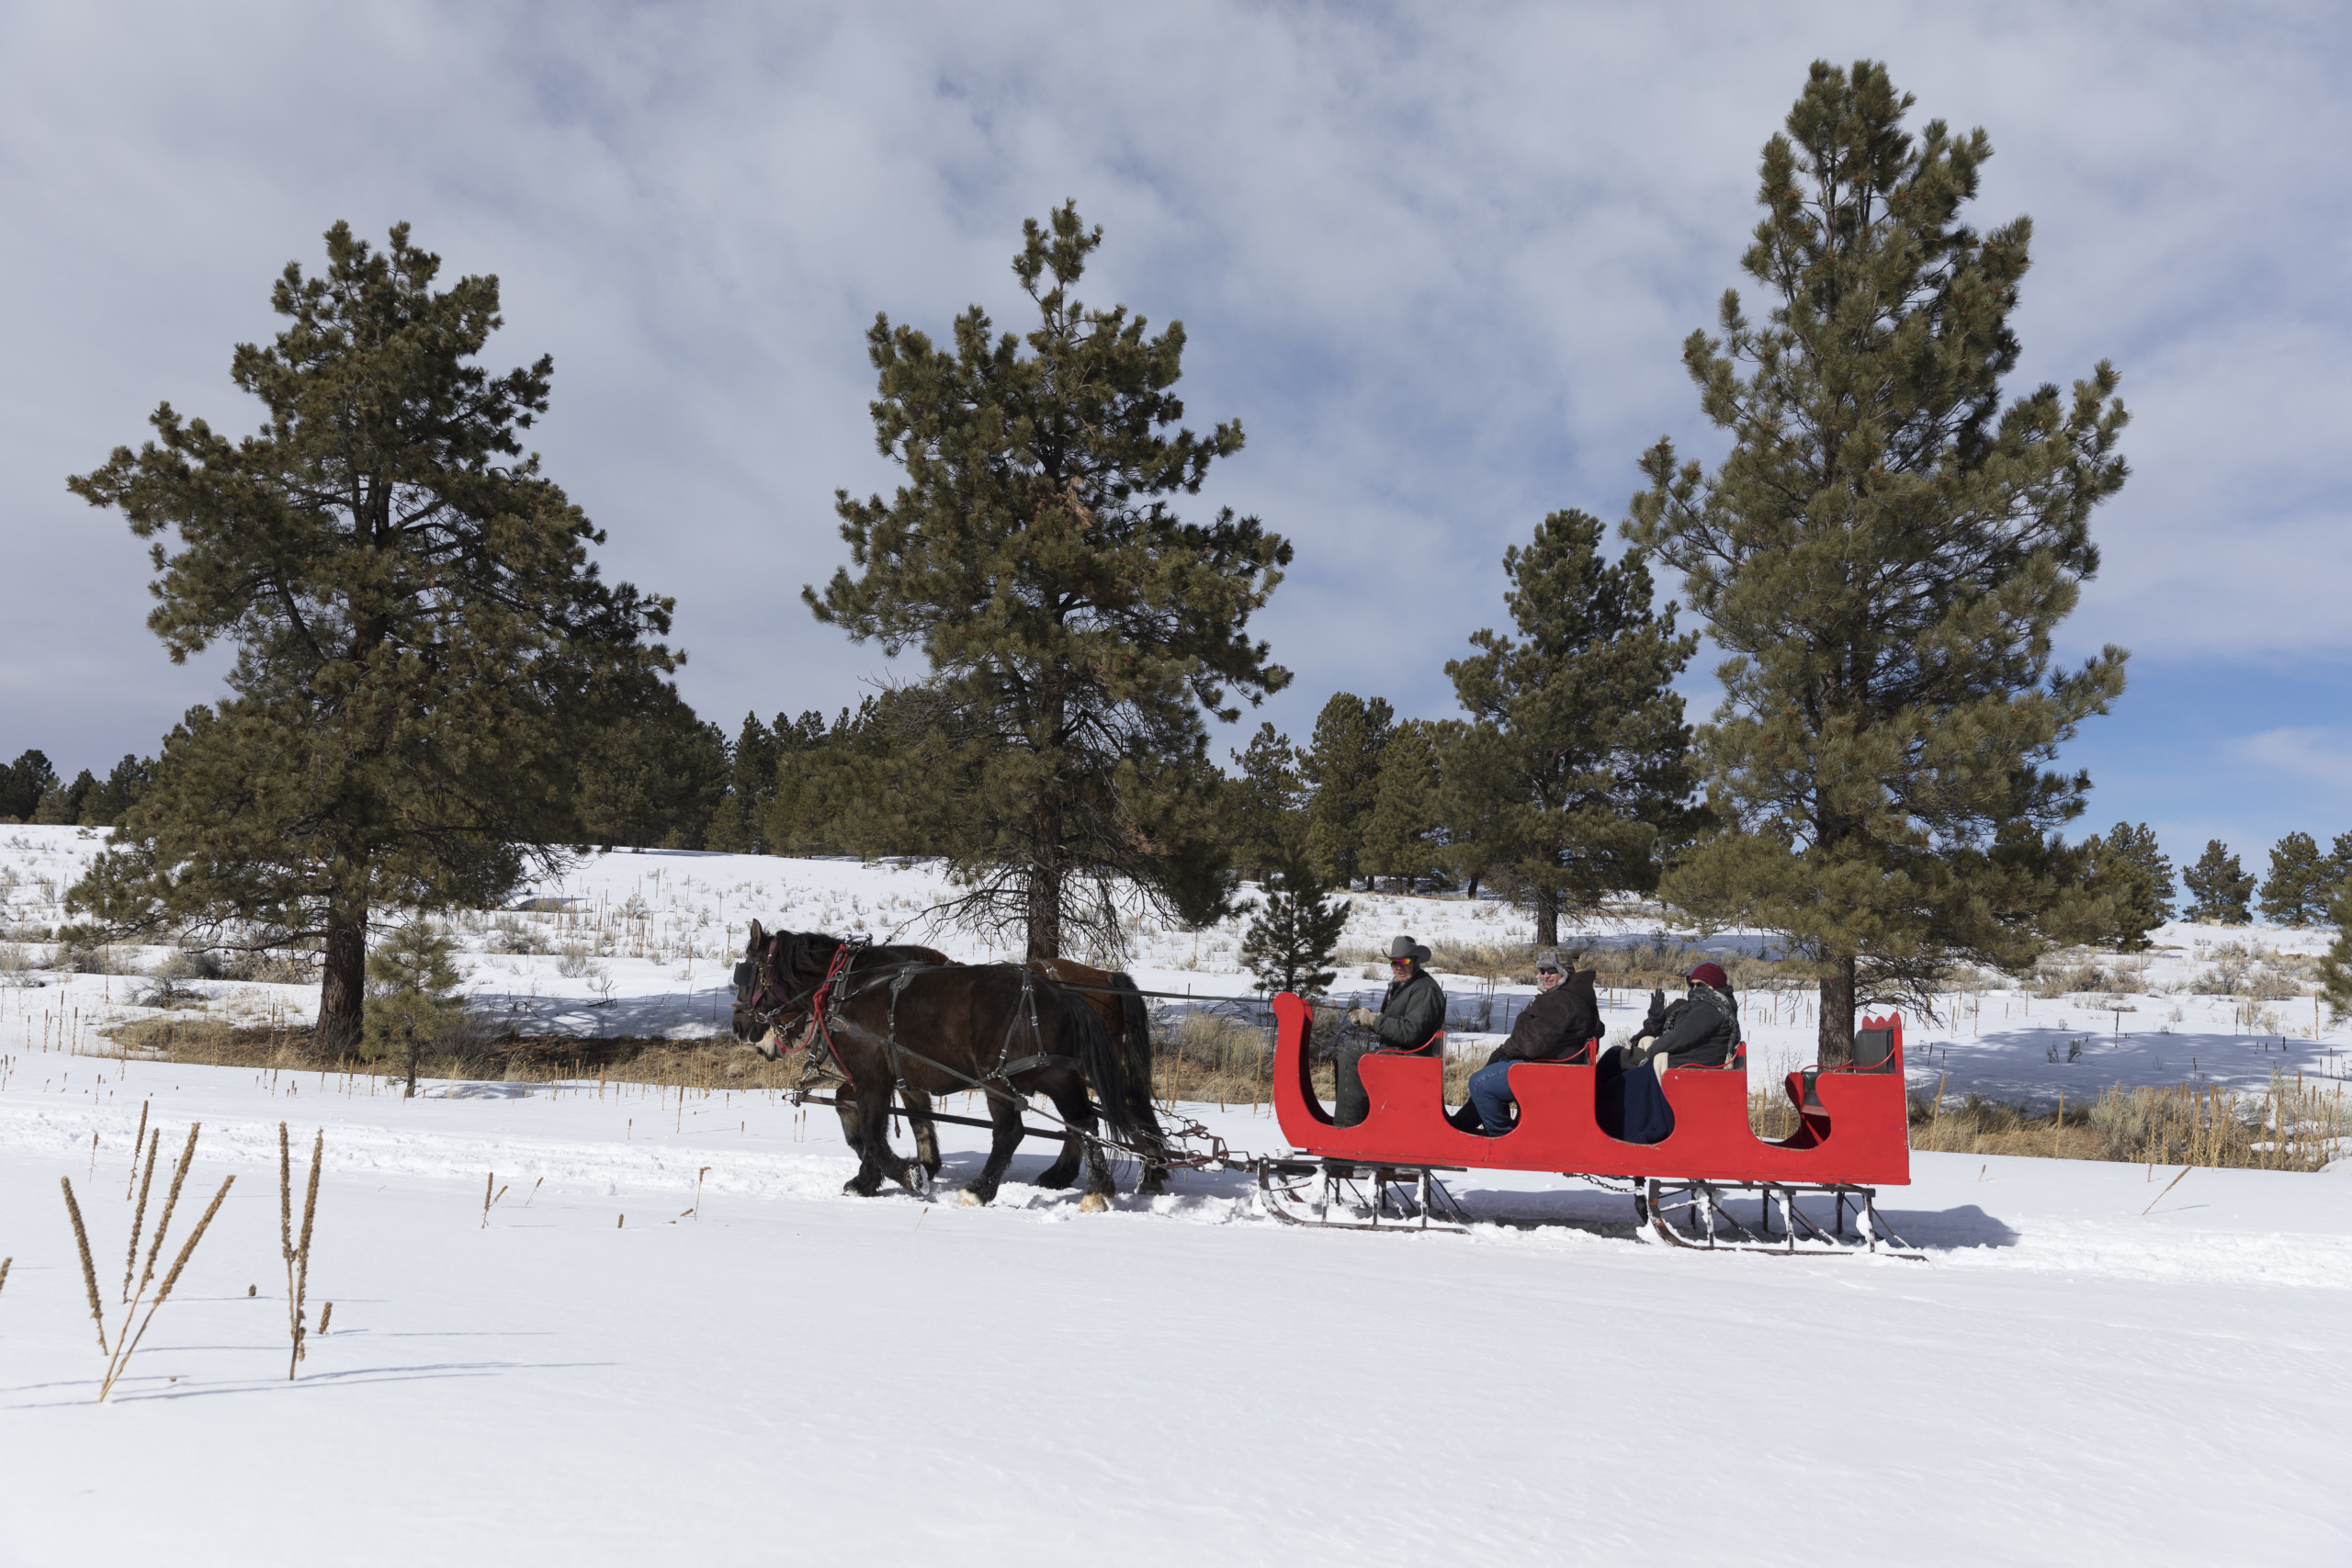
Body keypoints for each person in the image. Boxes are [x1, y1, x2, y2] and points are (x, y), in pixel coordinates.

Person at [1452, 950, 1603, 1136]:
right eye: (1542, 970)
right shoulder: (1572, 996)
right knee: (1490, 1072)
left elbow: (1533, 1042)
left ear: (1564, 972)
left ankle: (1501, 1137)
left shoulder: (1561, 1002)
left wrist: (1506, 1051)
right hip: (1558, 1066)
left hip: (1548, 1070)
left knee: (1480, 1083)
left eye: (1552, 970)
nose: (1546, 975)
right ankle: (1461, 1125)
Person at [1606, 960, 1741, 1144]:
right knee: (1617, 1066)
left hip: (1685, 1069)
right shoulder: (1706, 1004)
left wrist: (1651, 1052)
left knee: (1619, 1088)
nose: (1694, 989)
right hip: (1683, 1063)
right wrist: (1656, 1018)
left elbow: (1680, 1036)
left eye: (1700, 985)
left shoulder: (1709, 1008)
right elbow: (1667, 1031)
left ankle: (1613, 1132)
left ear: (1713, 986)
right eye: (1691, 985)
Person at [1335, 935, 1445, 1127]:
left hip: (1413, 1058)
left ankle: (1346, 1131)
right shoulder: (1403, 986)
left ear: (1416, 961)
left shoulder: (1424, 990)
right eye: (1394, 961)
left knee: (1349, 1061)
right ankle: (1364, 1122)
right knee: (1345, 1059)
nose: (1398, 966)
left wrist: (1374, 1020)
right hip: (1399, 1053)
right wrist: (1367, 1020)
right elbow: (1395, 1023)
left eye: (1405, 960)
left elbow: (1410, 1032)